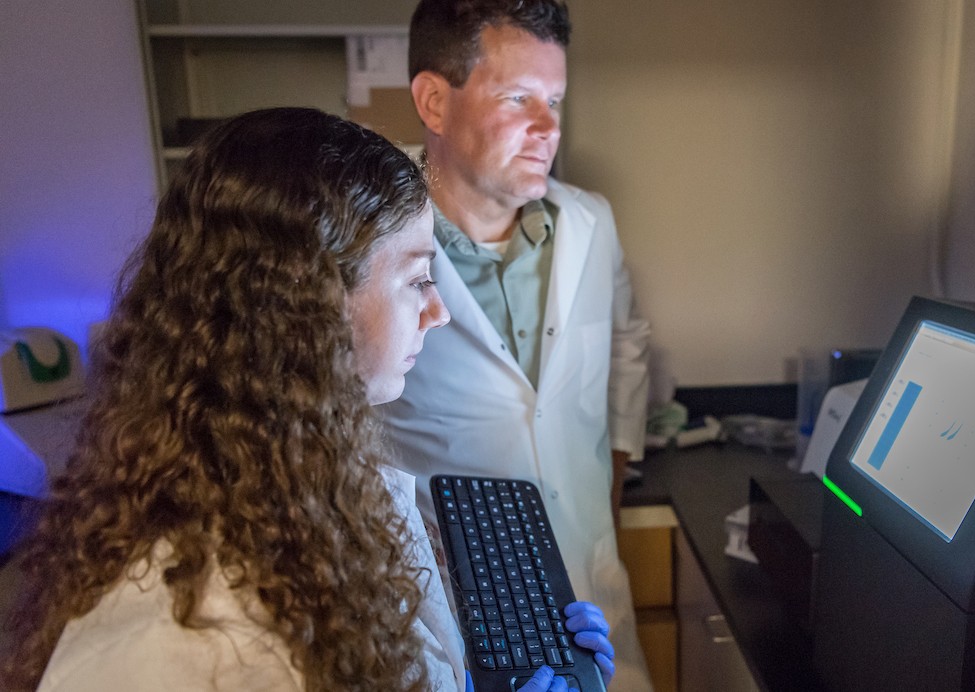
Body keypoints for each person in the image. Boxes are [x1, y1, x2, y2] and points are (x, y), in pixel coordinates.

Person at [0, 107, 612, 692]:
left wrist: (498, 668)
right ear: (312, 303)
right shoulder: (202, 629)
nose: (438, 311)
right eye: (417, 279)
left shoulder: (297, 486)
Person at [378, 2, 654, 689]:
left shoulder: (591, 221)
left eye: (555, 100)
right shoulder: (371, 240)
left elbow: (626, 351)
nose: (550, 127)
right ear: (434, 102)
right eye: (518, 98)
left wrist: (608, 501)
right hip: (455, 610)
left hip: (592, 590)